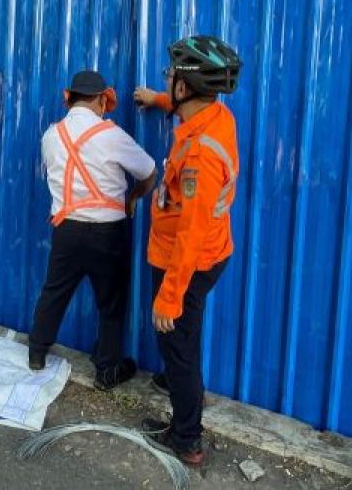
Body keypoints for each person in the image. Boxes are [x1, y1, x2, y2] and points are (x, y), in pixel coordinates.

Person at [132, 35, 242, 468]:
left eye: (171, 78)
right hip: (209, 252)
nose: (168, 80)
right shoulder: (215, 115)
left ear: (185, 87)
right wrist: (157, 98)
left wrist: (170, 295)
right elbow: (188, 108)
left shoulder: (199, 156)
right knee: (181, 346)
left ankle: (186, 439)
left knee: (179, 348)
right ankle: (181, 393)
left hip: (188, 261)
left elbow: (192, 232)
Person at [28, 69, 157, 390]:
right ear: (102, 100)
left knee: (54, 291)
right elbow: (150, 171)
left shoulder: (51, 135)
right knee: (110, 303)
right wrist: (134, 196)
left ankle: (36, 353)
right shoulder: (112, 135)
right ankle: (107, 371)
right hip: (107, 233)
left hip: (66, 230)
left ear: (69, 98)